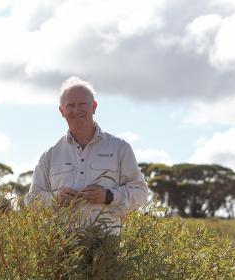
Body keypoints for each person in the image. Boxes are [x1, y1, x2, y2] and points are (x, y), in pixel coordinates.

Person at [24, 76, 148, 235]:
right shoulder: (50, 155)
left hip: (106, 244)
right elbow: (32, 200)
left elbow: (140, 192)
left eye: (82, 104)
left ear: (94, 107)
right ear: (62, 111)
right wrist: (56, 198)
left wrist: (108, 196)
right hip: (61, 243)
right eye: (70, 105)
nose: (76, 110)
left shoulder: (120, 148)